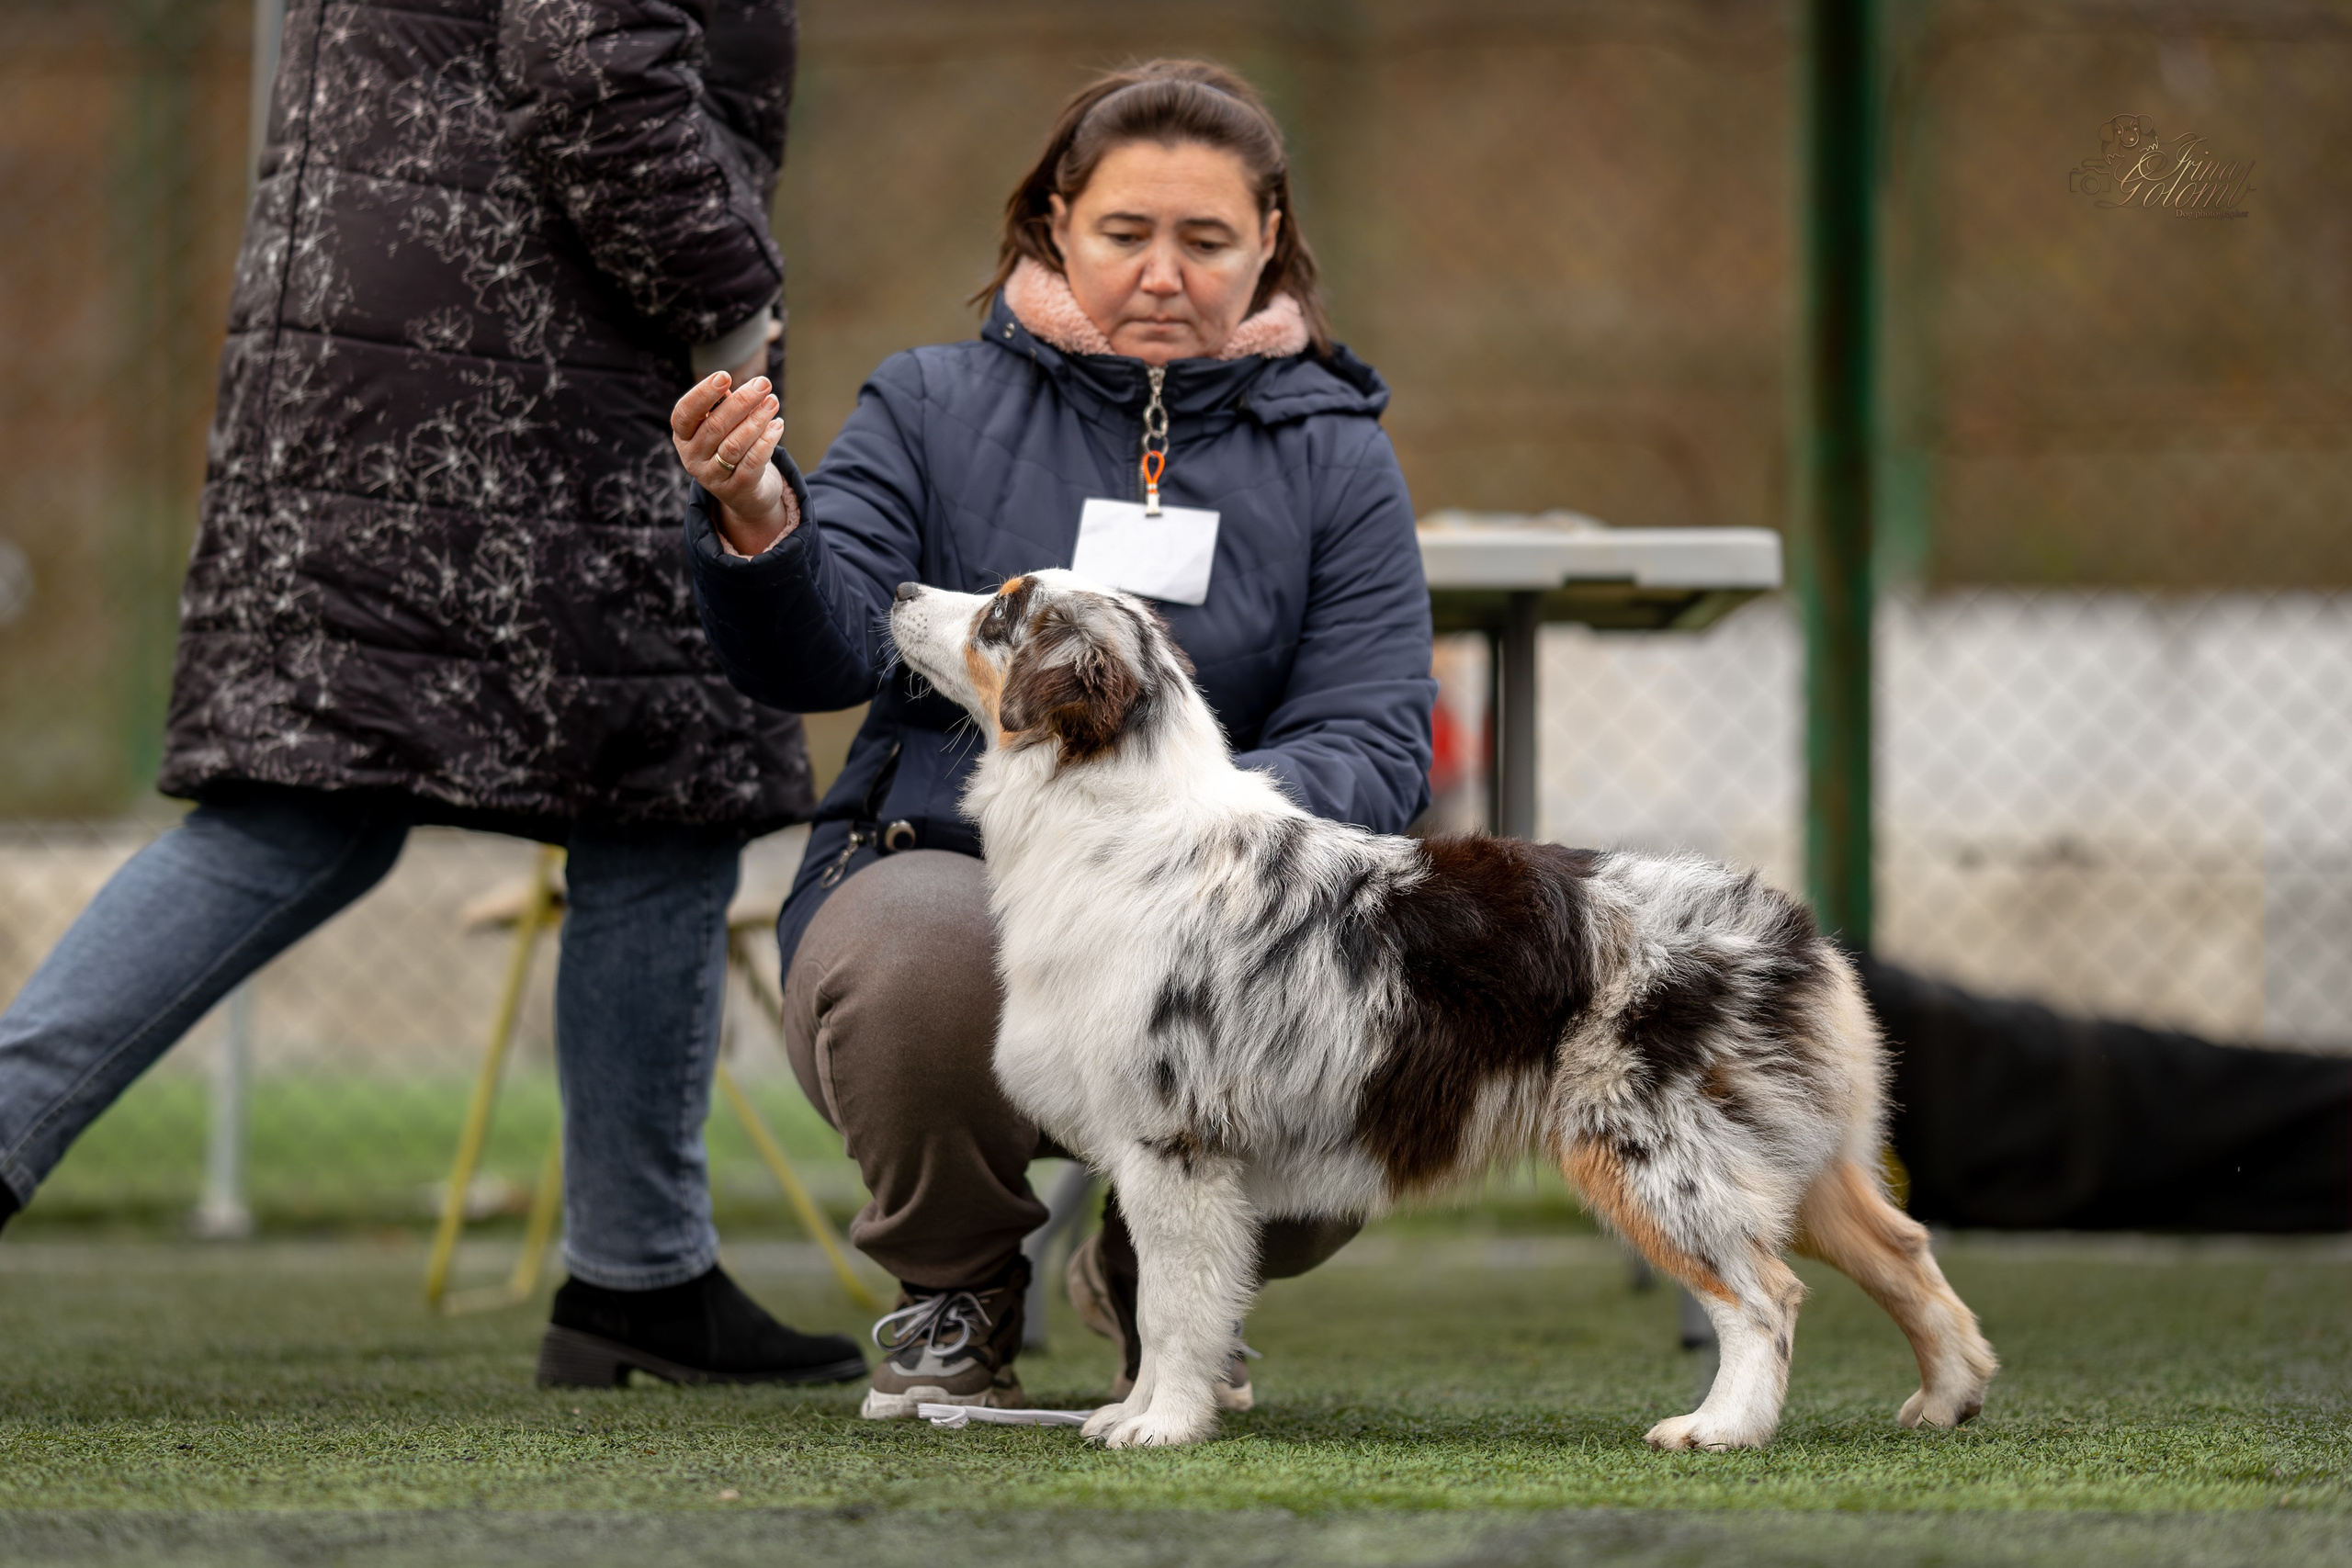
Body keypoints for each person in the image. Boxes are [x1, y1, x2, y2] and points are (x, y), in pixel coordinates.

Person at [0, 0, 865, 1388]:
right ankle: (638, 1274)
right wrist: (734, 298)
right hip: (526, 363)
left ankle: (641, 1275)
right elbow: (592, 60)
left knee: (423, 796)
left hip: (391, 344)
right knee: (610, 771)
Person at [674, 60, 1435, 1416]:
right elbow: (834, 641)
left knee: (1346, 1062)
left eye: (1206, 241)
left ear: (1270, 246)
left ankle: (1158, 1280)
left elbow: (1374, 733)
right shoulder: (927, 404)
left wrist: (1178, 839)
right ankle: (954, 1292)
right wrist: (757, 521)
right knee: (919, 962)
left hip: (1224, 903)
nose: (1162, 273)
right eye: (1125, 234)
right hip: (946, 864)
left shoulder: (1339, 456)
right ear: (1053, 227)